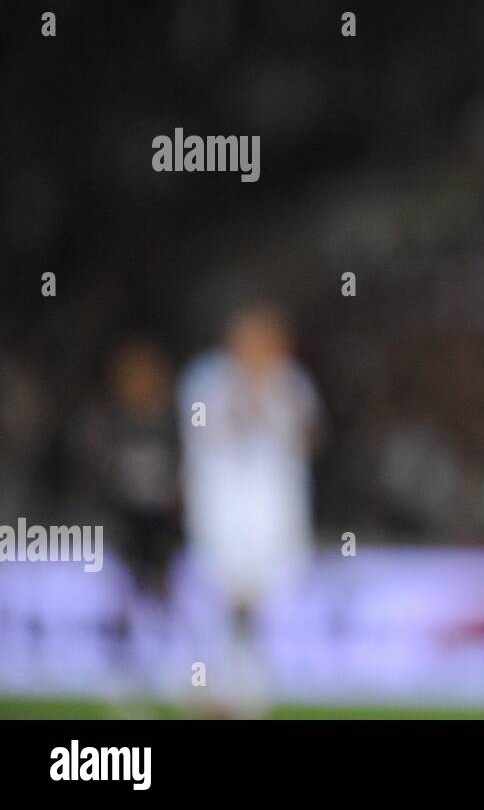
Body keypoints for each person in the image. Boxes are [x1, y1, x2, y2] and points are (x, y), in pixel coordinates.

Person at [176, 303, 323, 716]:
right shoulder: (206, 378)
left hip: (274, 514)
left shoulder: (291, 381)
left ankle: (250, 691)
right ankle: (204, 688)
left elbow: (311, 437)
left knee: (265, 603)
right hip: (221, 511)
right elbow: (204, 431)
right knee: (215, 598)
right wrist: (246, 395)